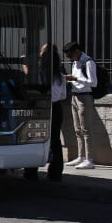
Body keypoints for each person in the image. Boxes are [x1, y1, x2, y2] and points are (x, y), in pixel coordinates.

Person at [24, 43, 66, 182]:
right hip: (57, 107)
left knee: (34, 136)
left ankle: (31, 171)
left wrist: (26, 67)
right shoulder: (60, 75)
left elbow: (33, 86)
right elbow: (63, 95)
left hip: (42, 107)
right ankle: (56, 172)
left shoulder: (40, 73)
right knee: (55, 140)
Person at [63, 41, 105, 169]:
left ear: (76, 51)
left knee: (86, 129)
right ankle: (81, 156)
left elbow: (93, 83)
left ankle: (89, 159)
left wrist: (75, 79)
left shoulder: (88, 62)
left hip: (85, 97)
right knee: (77, 130)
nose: (70, 59)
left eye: (70, 55)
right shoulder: (76, 62)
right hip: (75, 96)